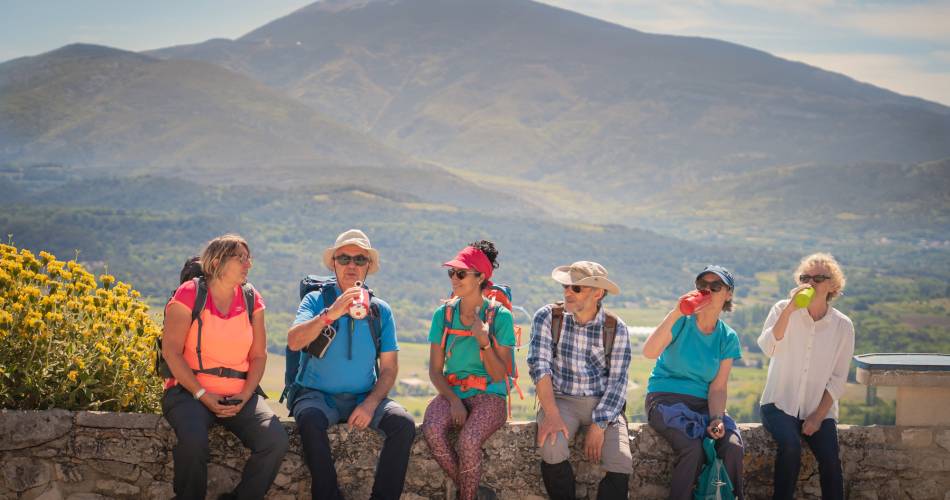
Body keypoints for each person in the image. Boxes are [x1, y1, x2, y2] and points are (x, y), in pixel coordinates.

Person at [286, 229, 416, 500]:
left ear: (369, 266)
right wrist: (330, 314)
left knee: (403, 424)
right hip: (317, 396)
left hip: (364, 396)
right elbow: (294, 341)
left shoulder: (380, 310)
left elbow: (390, 368)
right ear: (334, 263)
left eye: (359, 260)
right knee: (309, 420)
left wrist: (370, 403)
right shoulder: (315, 301)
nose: (351, 265)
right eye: (344, 258)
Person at [161, 234, 288, 500]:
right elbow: (171, 352)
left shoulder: (252, 298)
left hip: (239, 394)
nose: (248, 264)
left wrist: (245, 394)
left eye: (248, 257)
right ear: (217, 262)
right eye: (240, 258)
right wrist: (202, 394)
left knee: (274, 439)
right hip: (188, 392)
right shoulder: (189, 294)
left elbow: (258, 356)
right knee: (193, 443)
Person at [527, 261, 632, 500]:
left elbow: (617, 383)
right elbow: (539, 367)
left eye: (576, 288)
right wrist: (551, 414)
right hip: (561, 400)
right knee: (551, 448)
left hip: (603, 402)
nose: (567, 292)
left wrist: (599, 425)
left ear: (598, 293)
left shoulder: (616, 328)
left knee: (621, 462)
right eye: (566, 286)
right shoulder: (548, 317)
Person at [422, 241, 516, 500]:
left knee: (468, 441)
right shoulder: (443, 315)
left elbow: (500, 375)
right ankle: (471, 493)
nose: (454, 278)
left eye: (461, 273)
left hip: (491, 394)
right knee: (431, 429)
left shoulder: (500, 317)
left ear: (481, 277)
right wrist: (453, 401)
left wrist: (484, 342)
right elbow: (434, 370)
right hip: (453, 391)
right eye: (452, 273)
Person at [642, 265, 744, 500]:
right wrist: (677, 311)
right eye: (702, 286)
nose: (707, 291)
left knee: (733, 447)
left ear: (728, 294)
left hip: (704, 405)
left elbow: (718, 388)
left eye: (715, 286)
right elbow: (649, 351)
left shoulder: (728, 337)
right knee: (693, 449)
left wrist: (717, 419)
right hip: (665, 401)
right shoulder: (682, 322)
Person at [758, 253, 854, 500]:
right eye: (805, 277)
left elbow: (838, 378)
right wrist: (790, 309)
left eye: (819, 278)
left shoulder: (843, 326)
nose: (811, 283)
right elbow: (769, 347)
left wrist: (818, 416)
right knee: (790, 447)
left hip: (818, 408)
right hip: (778, 404)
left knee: (831, 460)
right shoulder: (782, 309)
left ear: (833, 285)